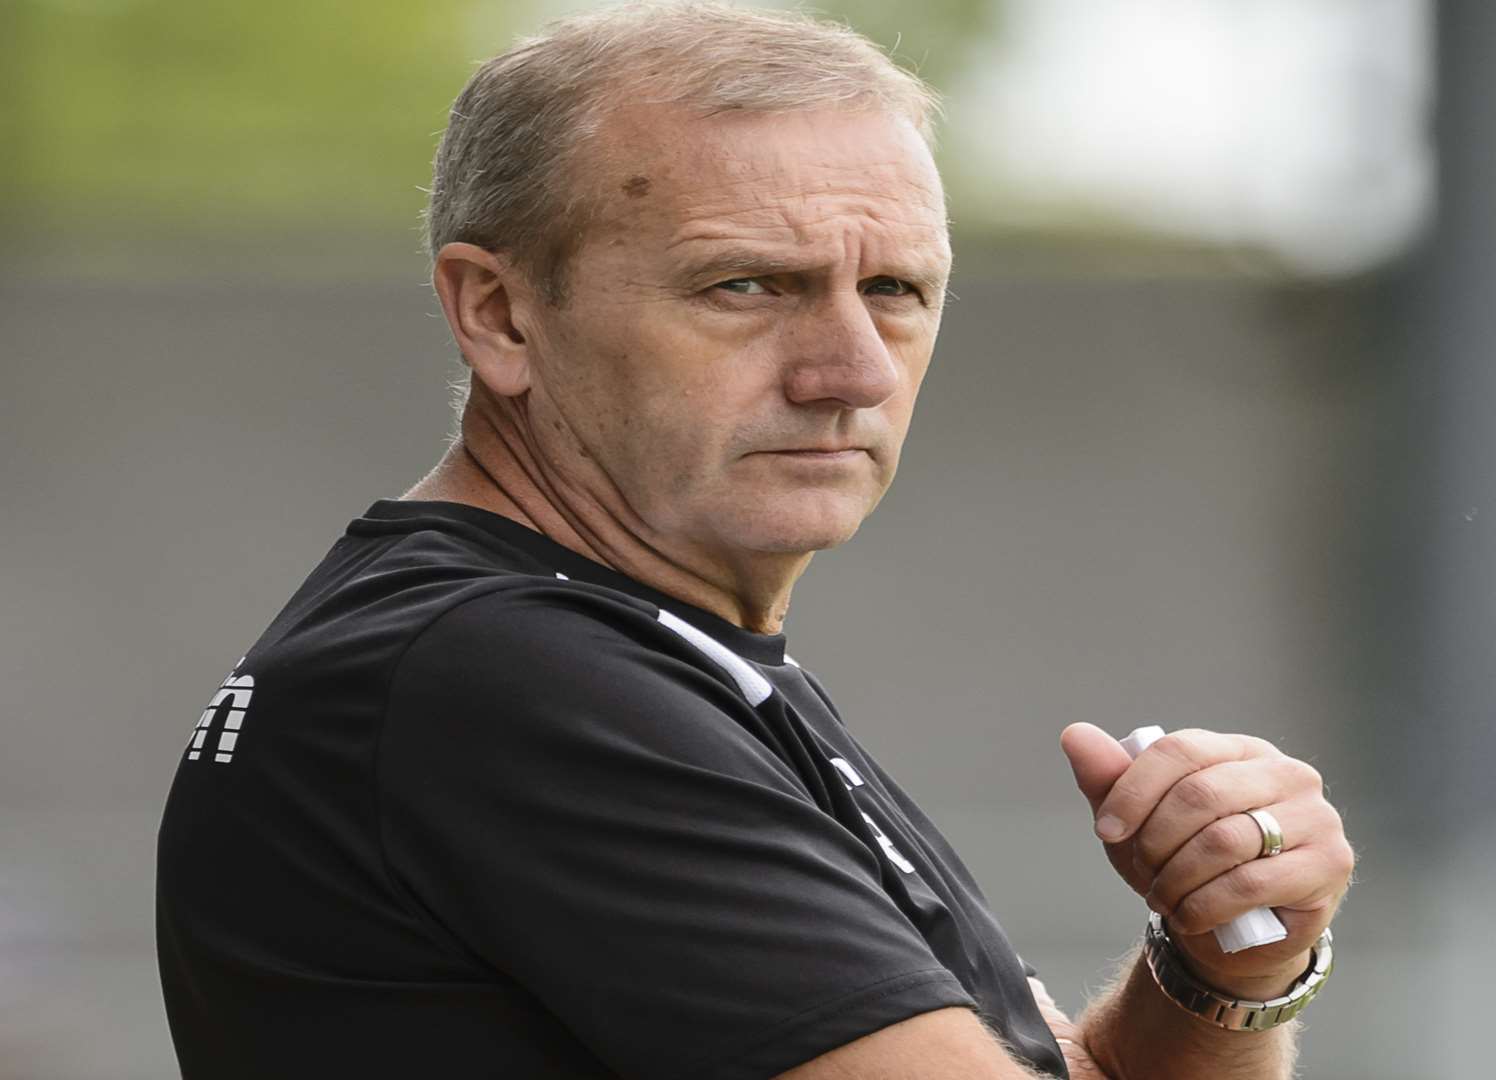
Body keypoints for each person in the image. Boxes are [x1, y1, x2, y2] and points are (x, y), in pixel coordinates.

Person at [155, 4, 1354, 1078]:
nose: (851, 371)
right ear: (499, 313)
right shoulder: (506, 678)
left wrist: (1216, 977)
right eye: (747, 287)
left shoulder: (633, 654)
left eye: (895, 288)